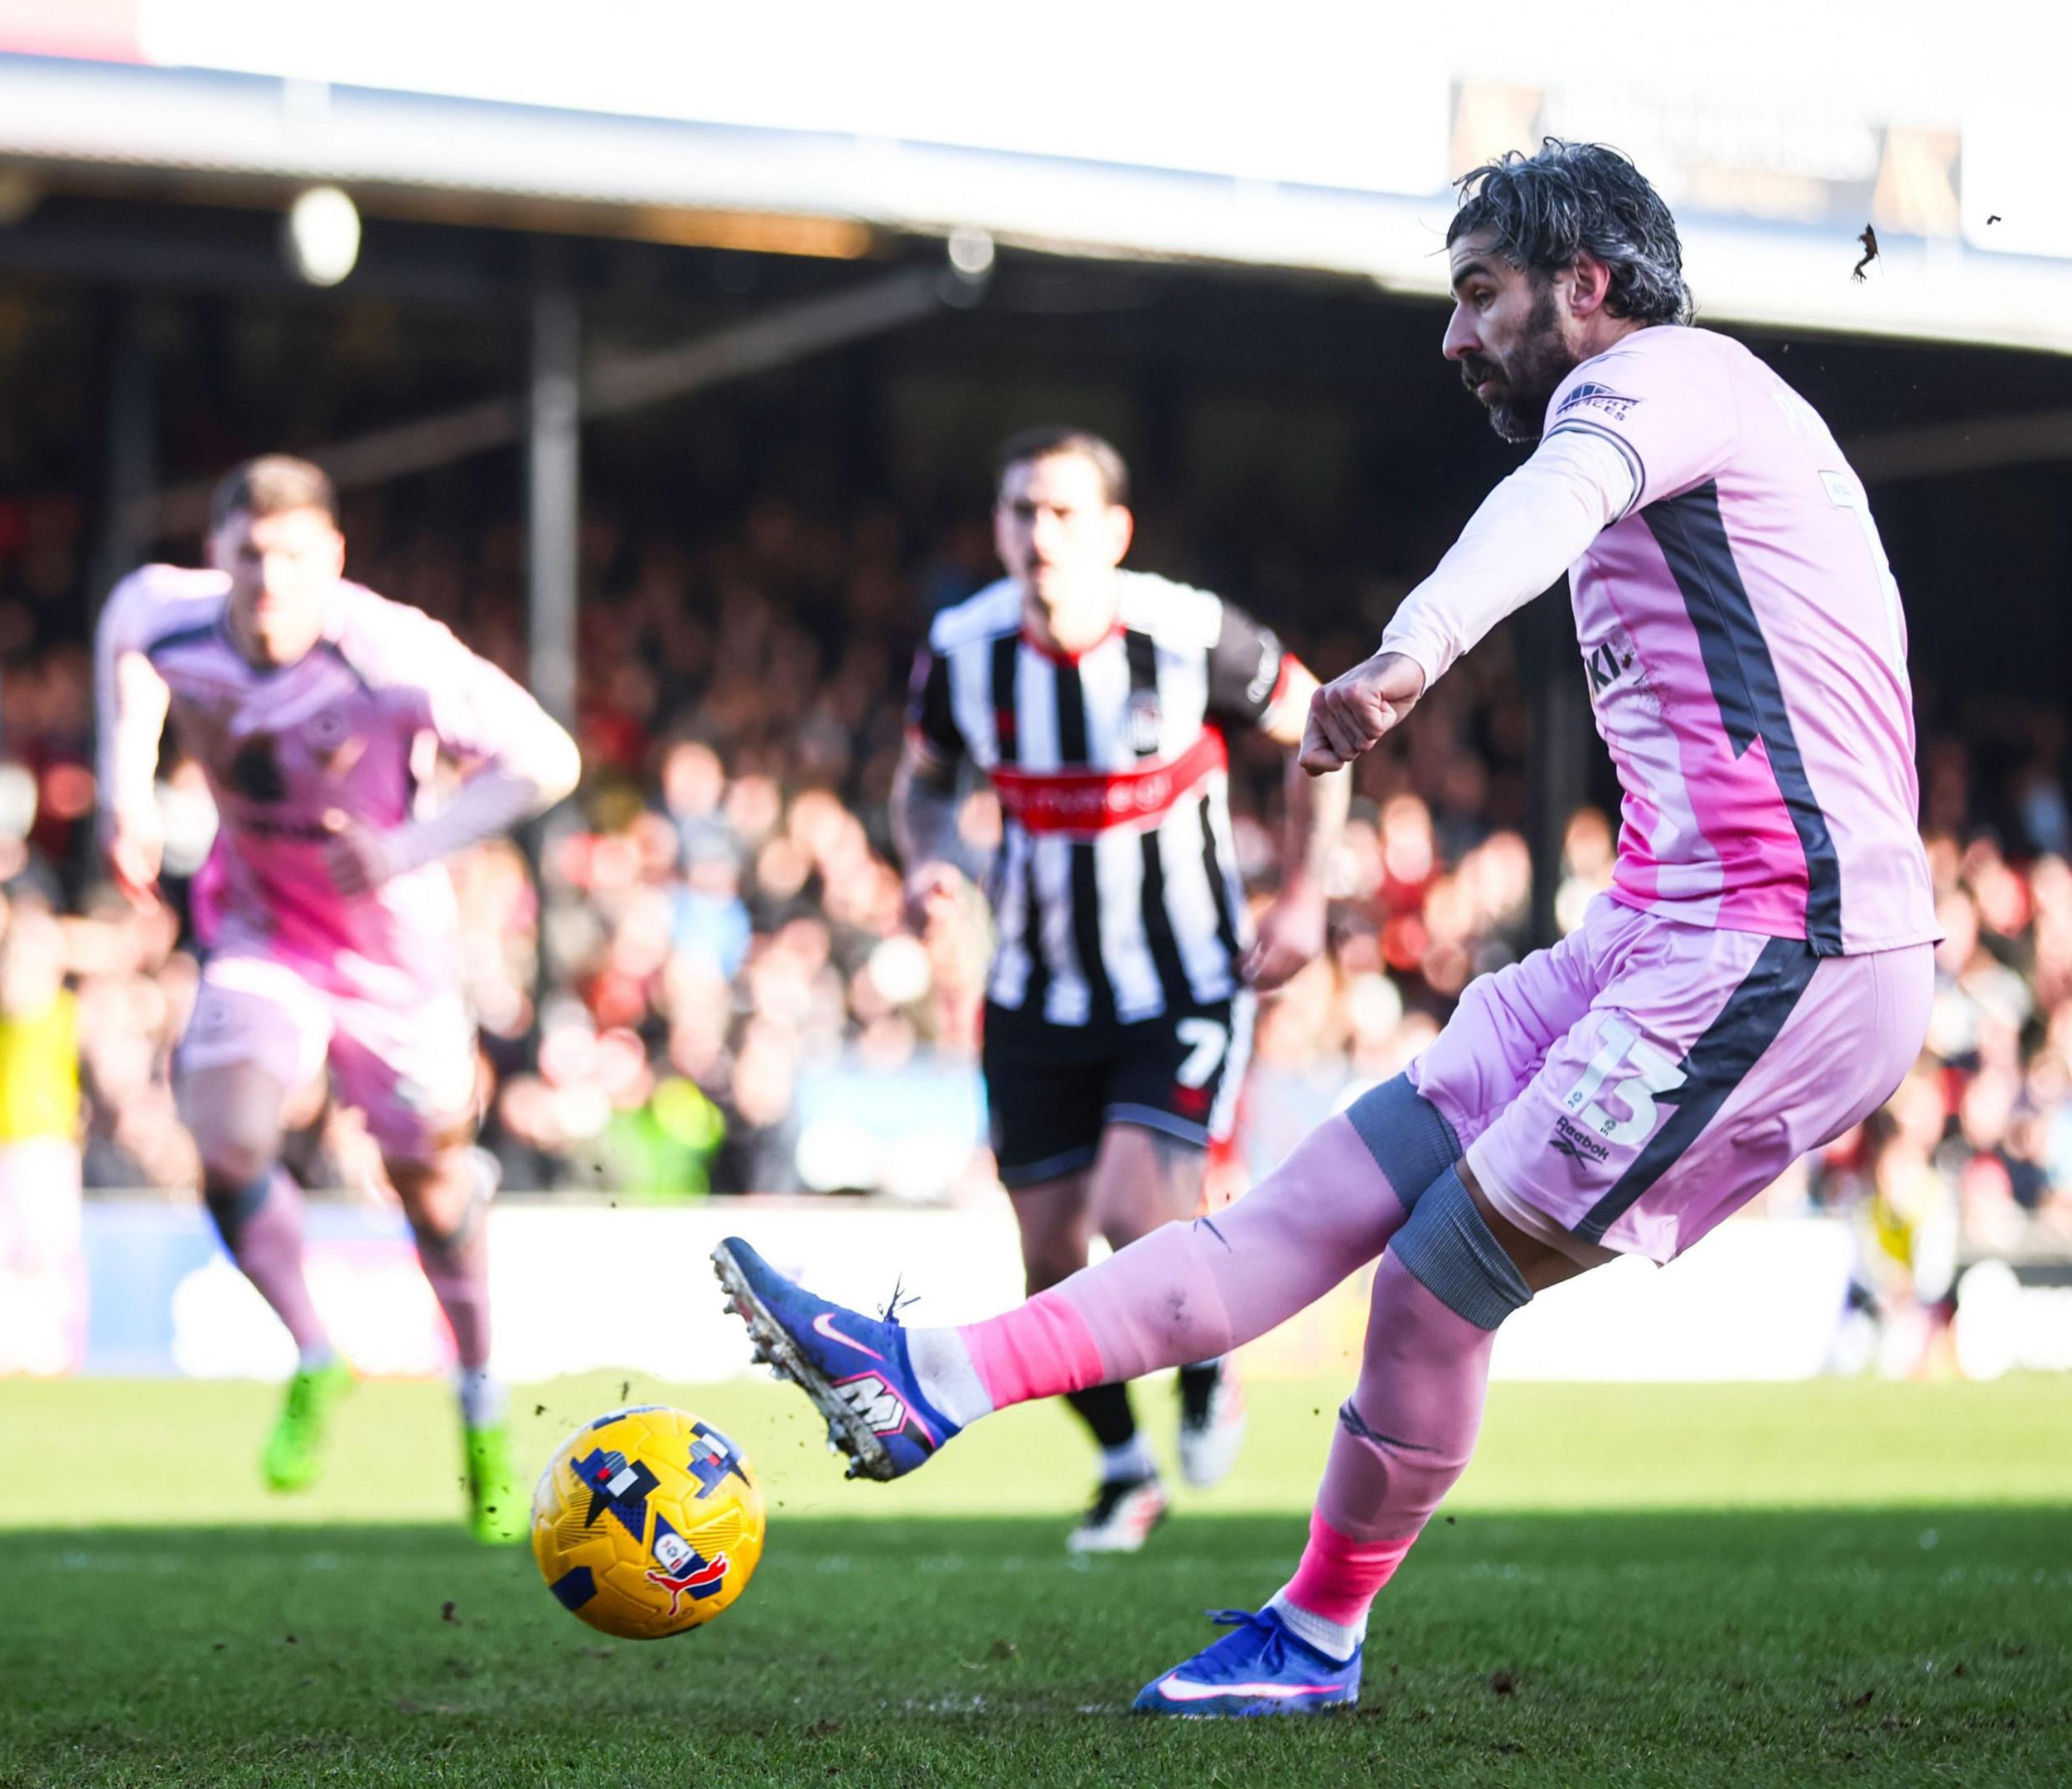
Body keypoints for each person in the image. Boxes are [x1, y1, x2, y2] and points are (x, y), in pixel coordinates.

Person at [716, 139, 1934, 1712]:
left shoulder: (1672, 377)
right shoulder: (1684, 423)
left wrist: (1410, 649)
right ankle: (928, 1377)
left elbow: (1555, 498)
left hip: (1794, 945)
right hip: (1660, 934)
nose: (1453, 335)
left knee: (1434, 1278)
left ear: (1590, 284)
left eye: (1480, 293)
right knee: (1298, 1209)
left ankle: (1316, 1631)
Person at [98, 455, 580, 1543]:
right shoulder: (168, 612)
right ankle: (318, 1353)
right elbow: (124, 632)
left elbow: (547, 757)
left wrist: (408, 844)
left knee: (434, 1192)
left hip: (394, 958)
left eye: (293, 556)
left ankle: (479, 1404)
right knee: (223, 1135)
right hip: (264, 926)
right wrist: (125, 785)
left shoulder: (389, 651)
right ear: (217, 549)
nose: (269, 576)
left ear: (335, 561)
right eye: (250, 552)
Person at [895, 427, 1347, 1551]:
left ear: (1113, 530)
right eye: (1018, 513)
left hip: (1181, 982)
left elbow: (1322, 726)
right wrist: (923, 859)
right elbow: (919, 786)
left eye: (1061, 513)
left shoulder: (1188, 634)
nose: (1038, 535)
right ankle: (1122, 1462)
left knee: (1129, 1213)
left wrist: (1301, 896)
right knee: (1047, 1254)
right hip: (1034, 992)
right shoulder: (964, 648)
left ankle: (1209, 1358)